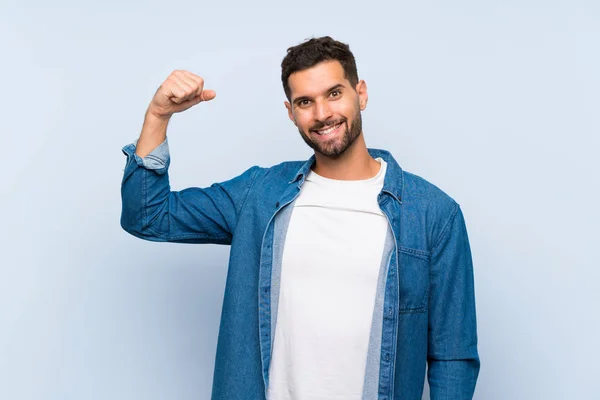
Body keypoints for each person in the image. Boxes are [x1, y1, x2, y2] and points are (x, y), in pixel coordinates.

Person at [120, 36, 480, 400]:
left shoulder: (433, 214)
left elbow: (453, 357)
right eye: (305, 102)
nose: (322, 114)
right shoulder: (258, 194)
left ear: (361, 94)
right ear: (291, 112)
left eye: (334, 94)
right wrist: (158, 116)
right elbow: (148, 215)